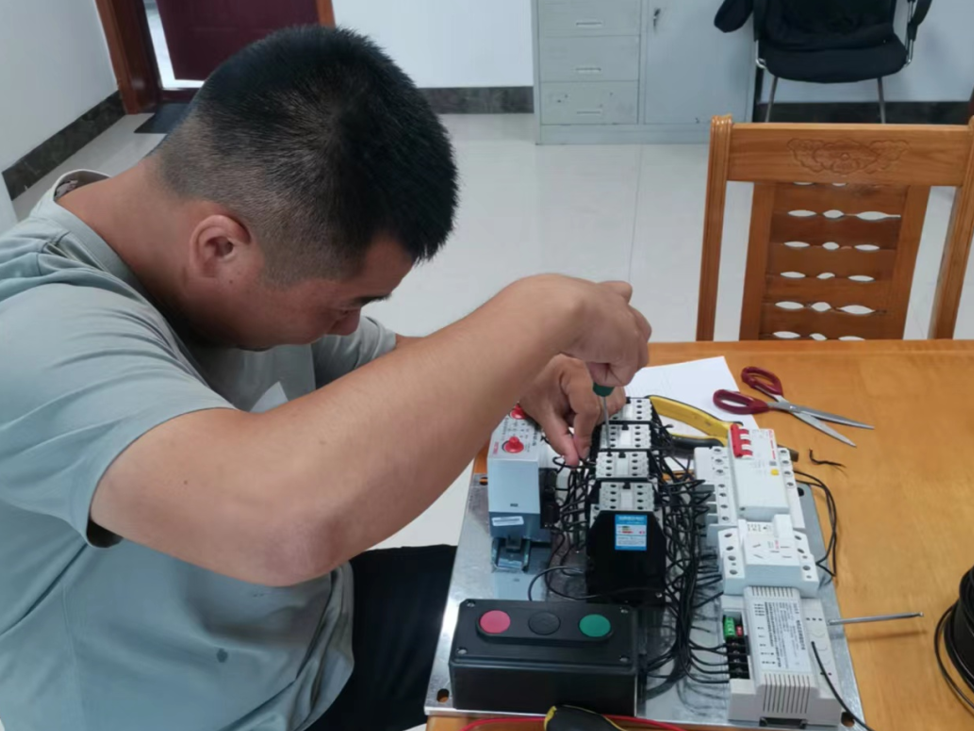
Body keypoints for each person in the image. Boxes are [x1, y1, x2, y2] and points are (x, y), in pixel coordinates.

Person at [0, 26, 650, 731]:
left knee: (620, 629)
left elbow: (393, 371)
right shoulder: (33, 327)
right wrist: (543, 309)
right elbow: (284, 528)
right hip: (215, 711)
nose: (347, 326)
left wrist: (527, 368)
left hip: (316, 635)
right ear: (219, 247)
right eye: (343, 303)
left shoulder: (214, 263)